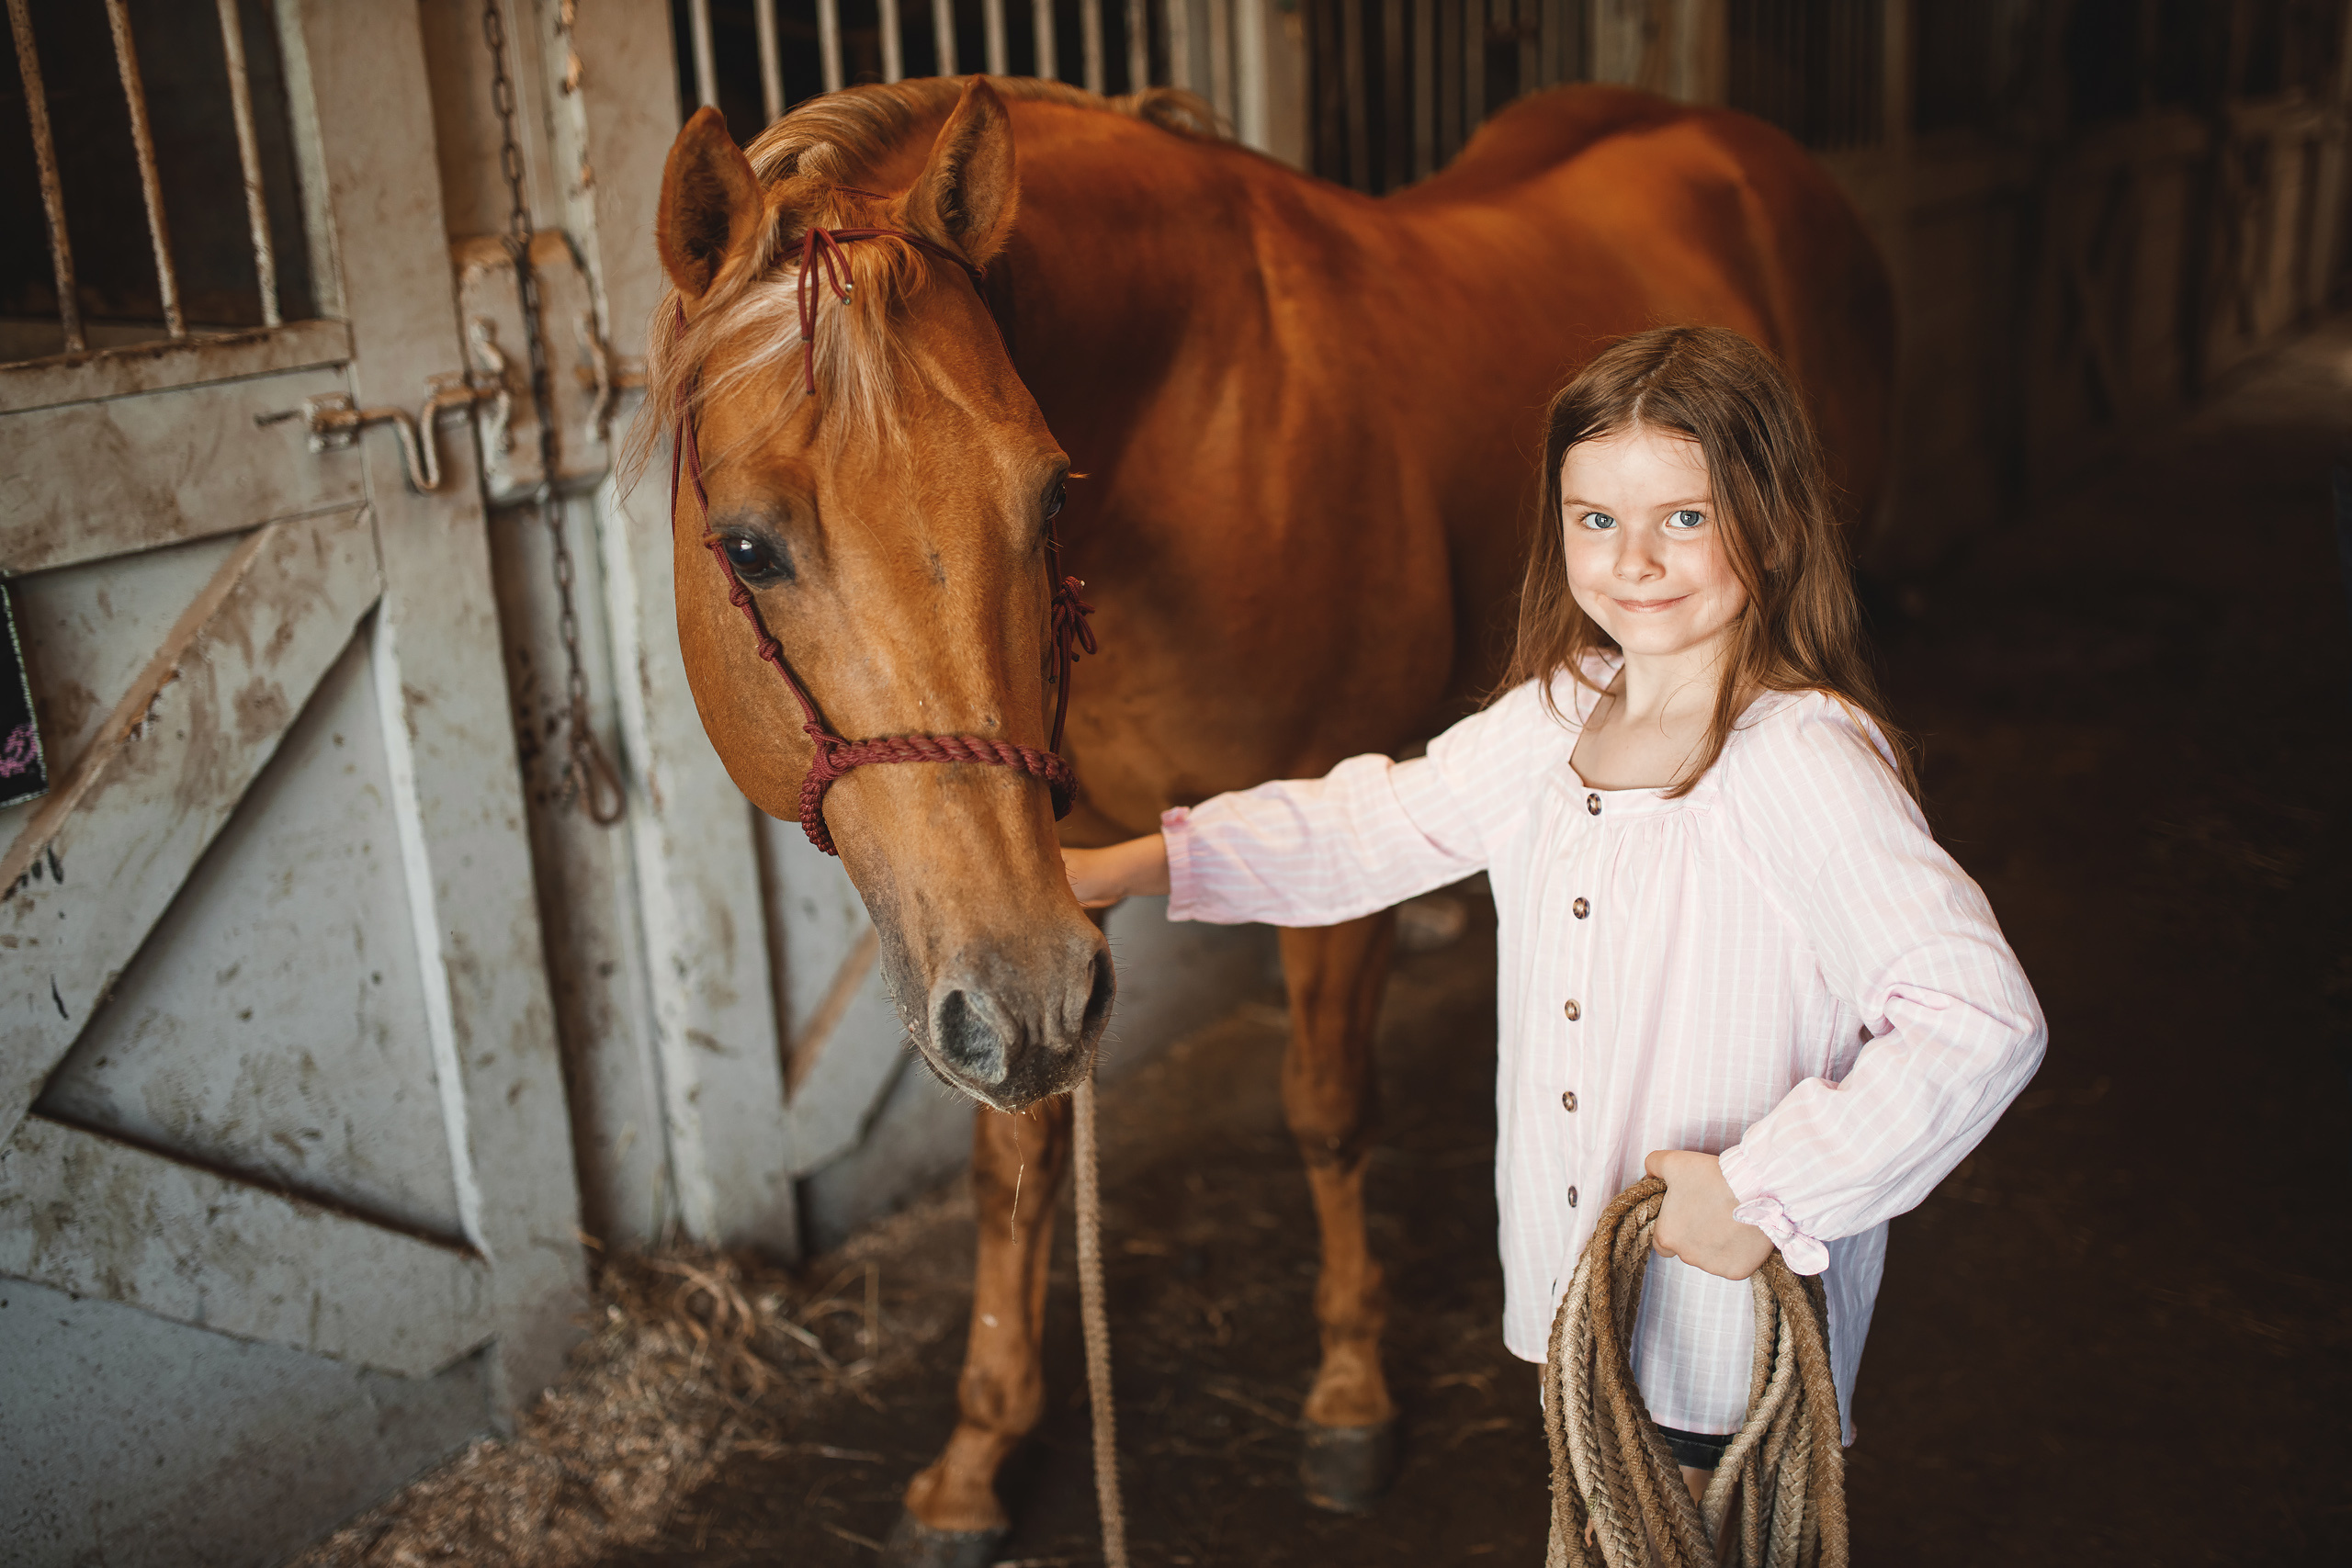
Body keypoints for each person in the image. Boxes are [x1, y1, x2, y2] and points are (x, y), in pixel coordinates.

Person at [1061, 325, 2047, 1514]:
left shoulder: (1800, 758)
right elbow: (1372, 824)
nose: (1634, 560)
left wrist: (1774, 1191)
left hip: (1722, 1336)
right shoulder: (1557, 714)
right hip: (1580, 1300)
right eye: (1595, 520)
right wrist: (1120, 868)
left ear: (1774, 524)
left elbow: (1978, 1016)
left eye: (1684, 518)